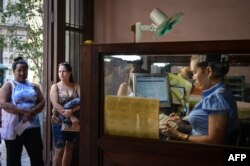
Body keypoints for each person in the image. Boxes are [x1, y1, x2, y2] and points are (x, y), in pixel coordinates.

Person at [160, 54, 239, 145]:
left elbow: (215, 141)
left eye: (194, 72)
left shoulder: (216, 98)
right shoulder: (220, 90)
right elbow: (204, 129)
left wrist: (179, 135)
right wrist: (182, 125)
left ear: (208, 71)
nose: (193, 77)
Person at [0, 56, 44, 166]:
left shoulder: (34, 86)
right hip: (15, 127)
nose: (22, 73)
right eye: (19, 70)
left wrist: (32, 112)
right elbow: (3, 103)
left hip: (33, 127)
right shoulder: (9, 85)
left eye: (24, 70)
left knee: (37, 157)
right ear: (14, 71)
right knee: (13, 158)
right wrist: (23, 112)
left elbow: (42, 101)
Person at [50, 62, 80, 166]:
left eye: (64, 71)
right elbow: (55, 104)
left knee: (70, 148)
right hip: (58, 121)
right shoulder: (55, 87)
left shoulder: (76, 86)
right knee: (59, 150)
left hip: (74, 123)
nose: (61, 73)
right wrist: (71, 116)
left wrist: (72, 111)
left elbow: (84, 102)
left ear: (69, 72)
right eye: (59, 71)